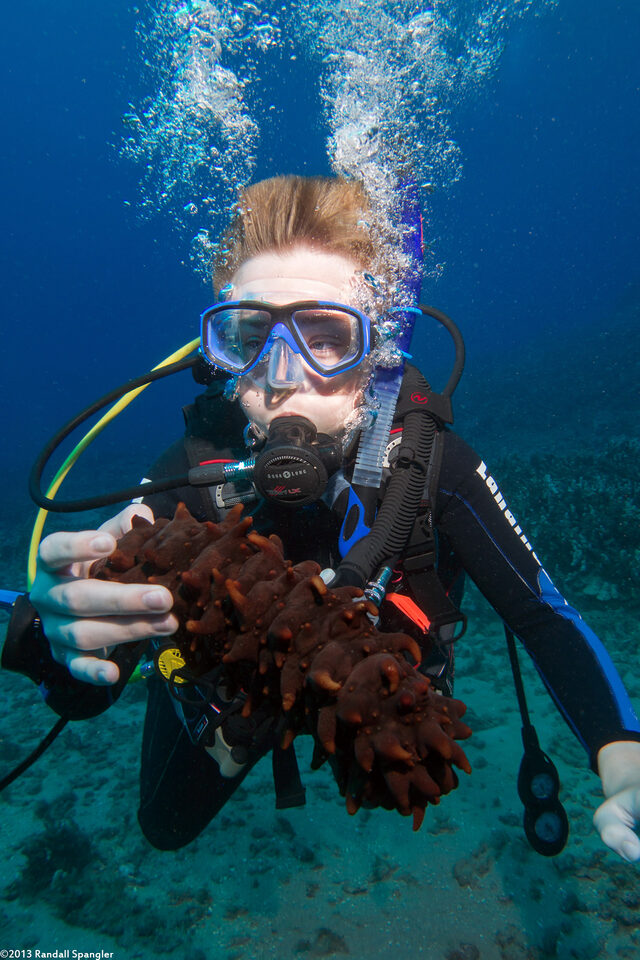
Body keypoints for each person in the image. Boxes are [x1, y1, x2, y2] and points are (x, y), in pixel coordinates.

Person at [13, 175, 640, 856]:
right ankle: (239, 727)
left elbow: (545, 617)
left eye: (327, 337)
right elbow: (93, 643)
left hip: (381, 689)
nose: (282, 374)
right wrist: (62, 644)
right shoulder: (198, 467)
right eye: (251, 336)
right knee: (163, 827)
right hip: (238, 691)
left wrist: (624, 754)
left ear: (379, 355)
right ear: (219, 355)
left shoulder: (433, 469)